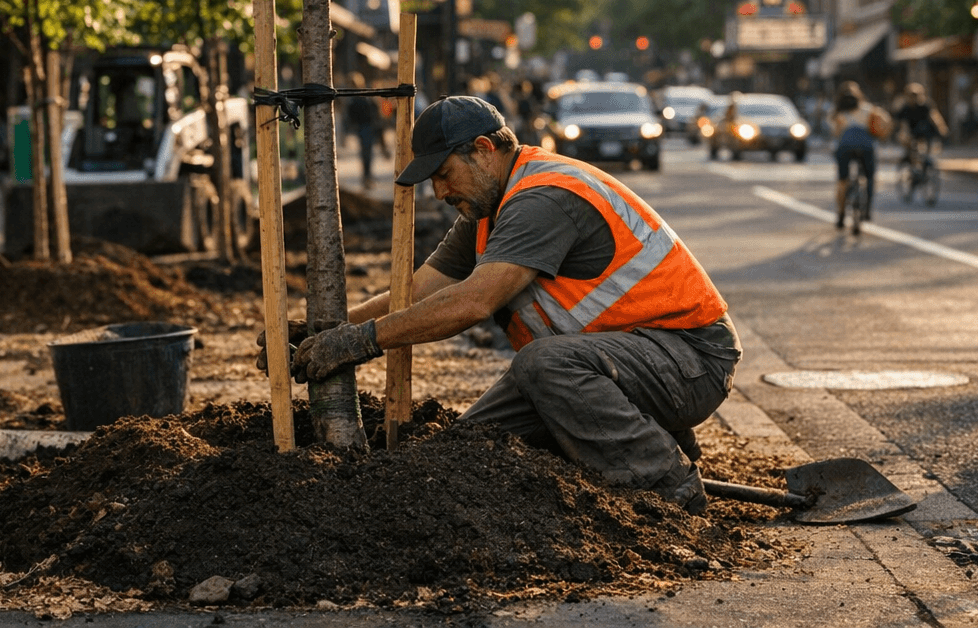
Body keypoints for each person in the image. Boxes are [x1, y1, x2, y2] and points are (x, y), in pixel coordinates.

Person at [277, 95, 740, 513]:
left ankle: (668, 484)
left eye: (444, 174)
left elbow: (472, 303)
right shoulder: (488, 209)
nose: (439, 192)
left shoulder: (542, 198)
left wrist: (359, 343)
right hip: (623, 365)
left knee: (542, 363)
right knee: (468, 450)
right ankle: (653, 439)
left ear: (483, 150)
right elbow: (417, 292)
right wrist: (328, 329)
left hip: (692, 361)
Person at [830, 82, 890, 228]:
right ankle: (867, 209)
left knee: (842, 180)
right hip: (866, 146)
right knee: (869, 177)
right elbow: (886, 121)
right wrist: (882, 135)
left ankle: (841, 214)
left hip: (845, 147)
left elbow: (836, 133)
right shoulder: (870, 109)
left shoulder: (838, 112)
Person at [894, 83, 948, 170]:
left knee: (927, 152)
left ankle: (926, 161)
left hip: (926, 132)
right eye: (910, 96)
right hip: (913, 132)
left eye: (915, 96)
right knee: (908, 143)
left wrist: (941, 128)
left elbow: (934, 117)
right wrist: (902, 134)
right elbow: (901, 122)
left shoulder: (925, 106)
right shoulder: (906, 108)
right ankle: (912, 162)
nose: (913, 98)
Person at [344, 72, 383, 189]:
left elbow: (352, 115)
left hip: (367, 127)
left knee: (367, 154)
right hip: (365, 127)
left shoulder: (360, 97)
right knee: (367, 154)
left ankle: (367, 177)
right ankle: (367, 177)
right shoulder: (362, 97)